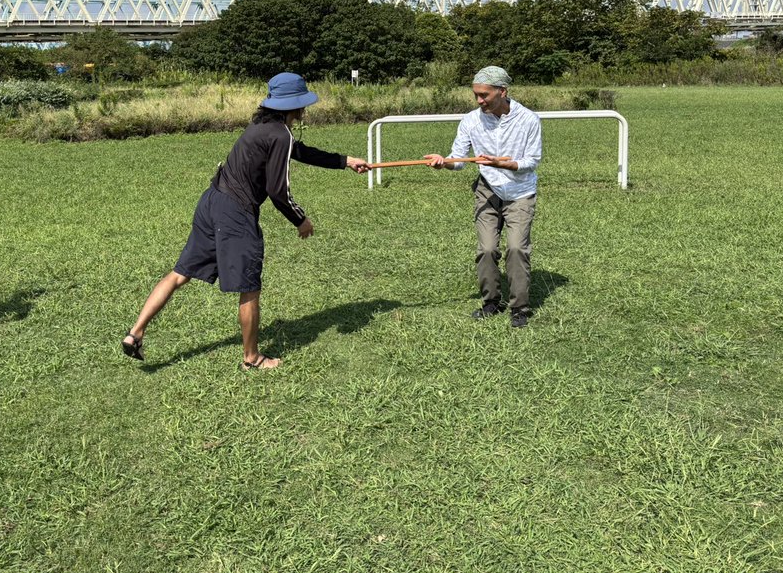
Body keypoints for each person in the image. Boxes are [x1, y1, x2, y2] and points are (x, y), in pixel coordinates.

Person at [123, 72, 370, 369]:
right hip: (235, 213)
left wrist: (344, 161)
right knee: (249, 286)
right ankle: (251, 358)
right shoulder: (280, 133)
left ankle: (135, 333)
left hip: (211, 201)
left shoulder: (262, 126)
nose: (305, 110)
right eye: (303, 104)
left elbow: (298, 151)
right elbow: (277, 190)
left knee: (179, 274)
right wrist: (300, 220)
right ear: (295, 106)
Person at [424, 65, 542, 328]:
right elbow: (459, 159)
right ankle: (491, 302)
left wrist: (503, 164)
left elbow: (532, 162)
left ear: (502, 91)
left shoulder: (528, 120)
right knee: (487, 248)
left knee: (516, 248)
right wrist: (443, 162)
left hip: (520, 192)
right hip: (487, 190)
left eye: (484, 95)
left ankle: (519, 308)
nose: (479, 100)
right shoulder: (471, 120)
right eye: (476, 95)